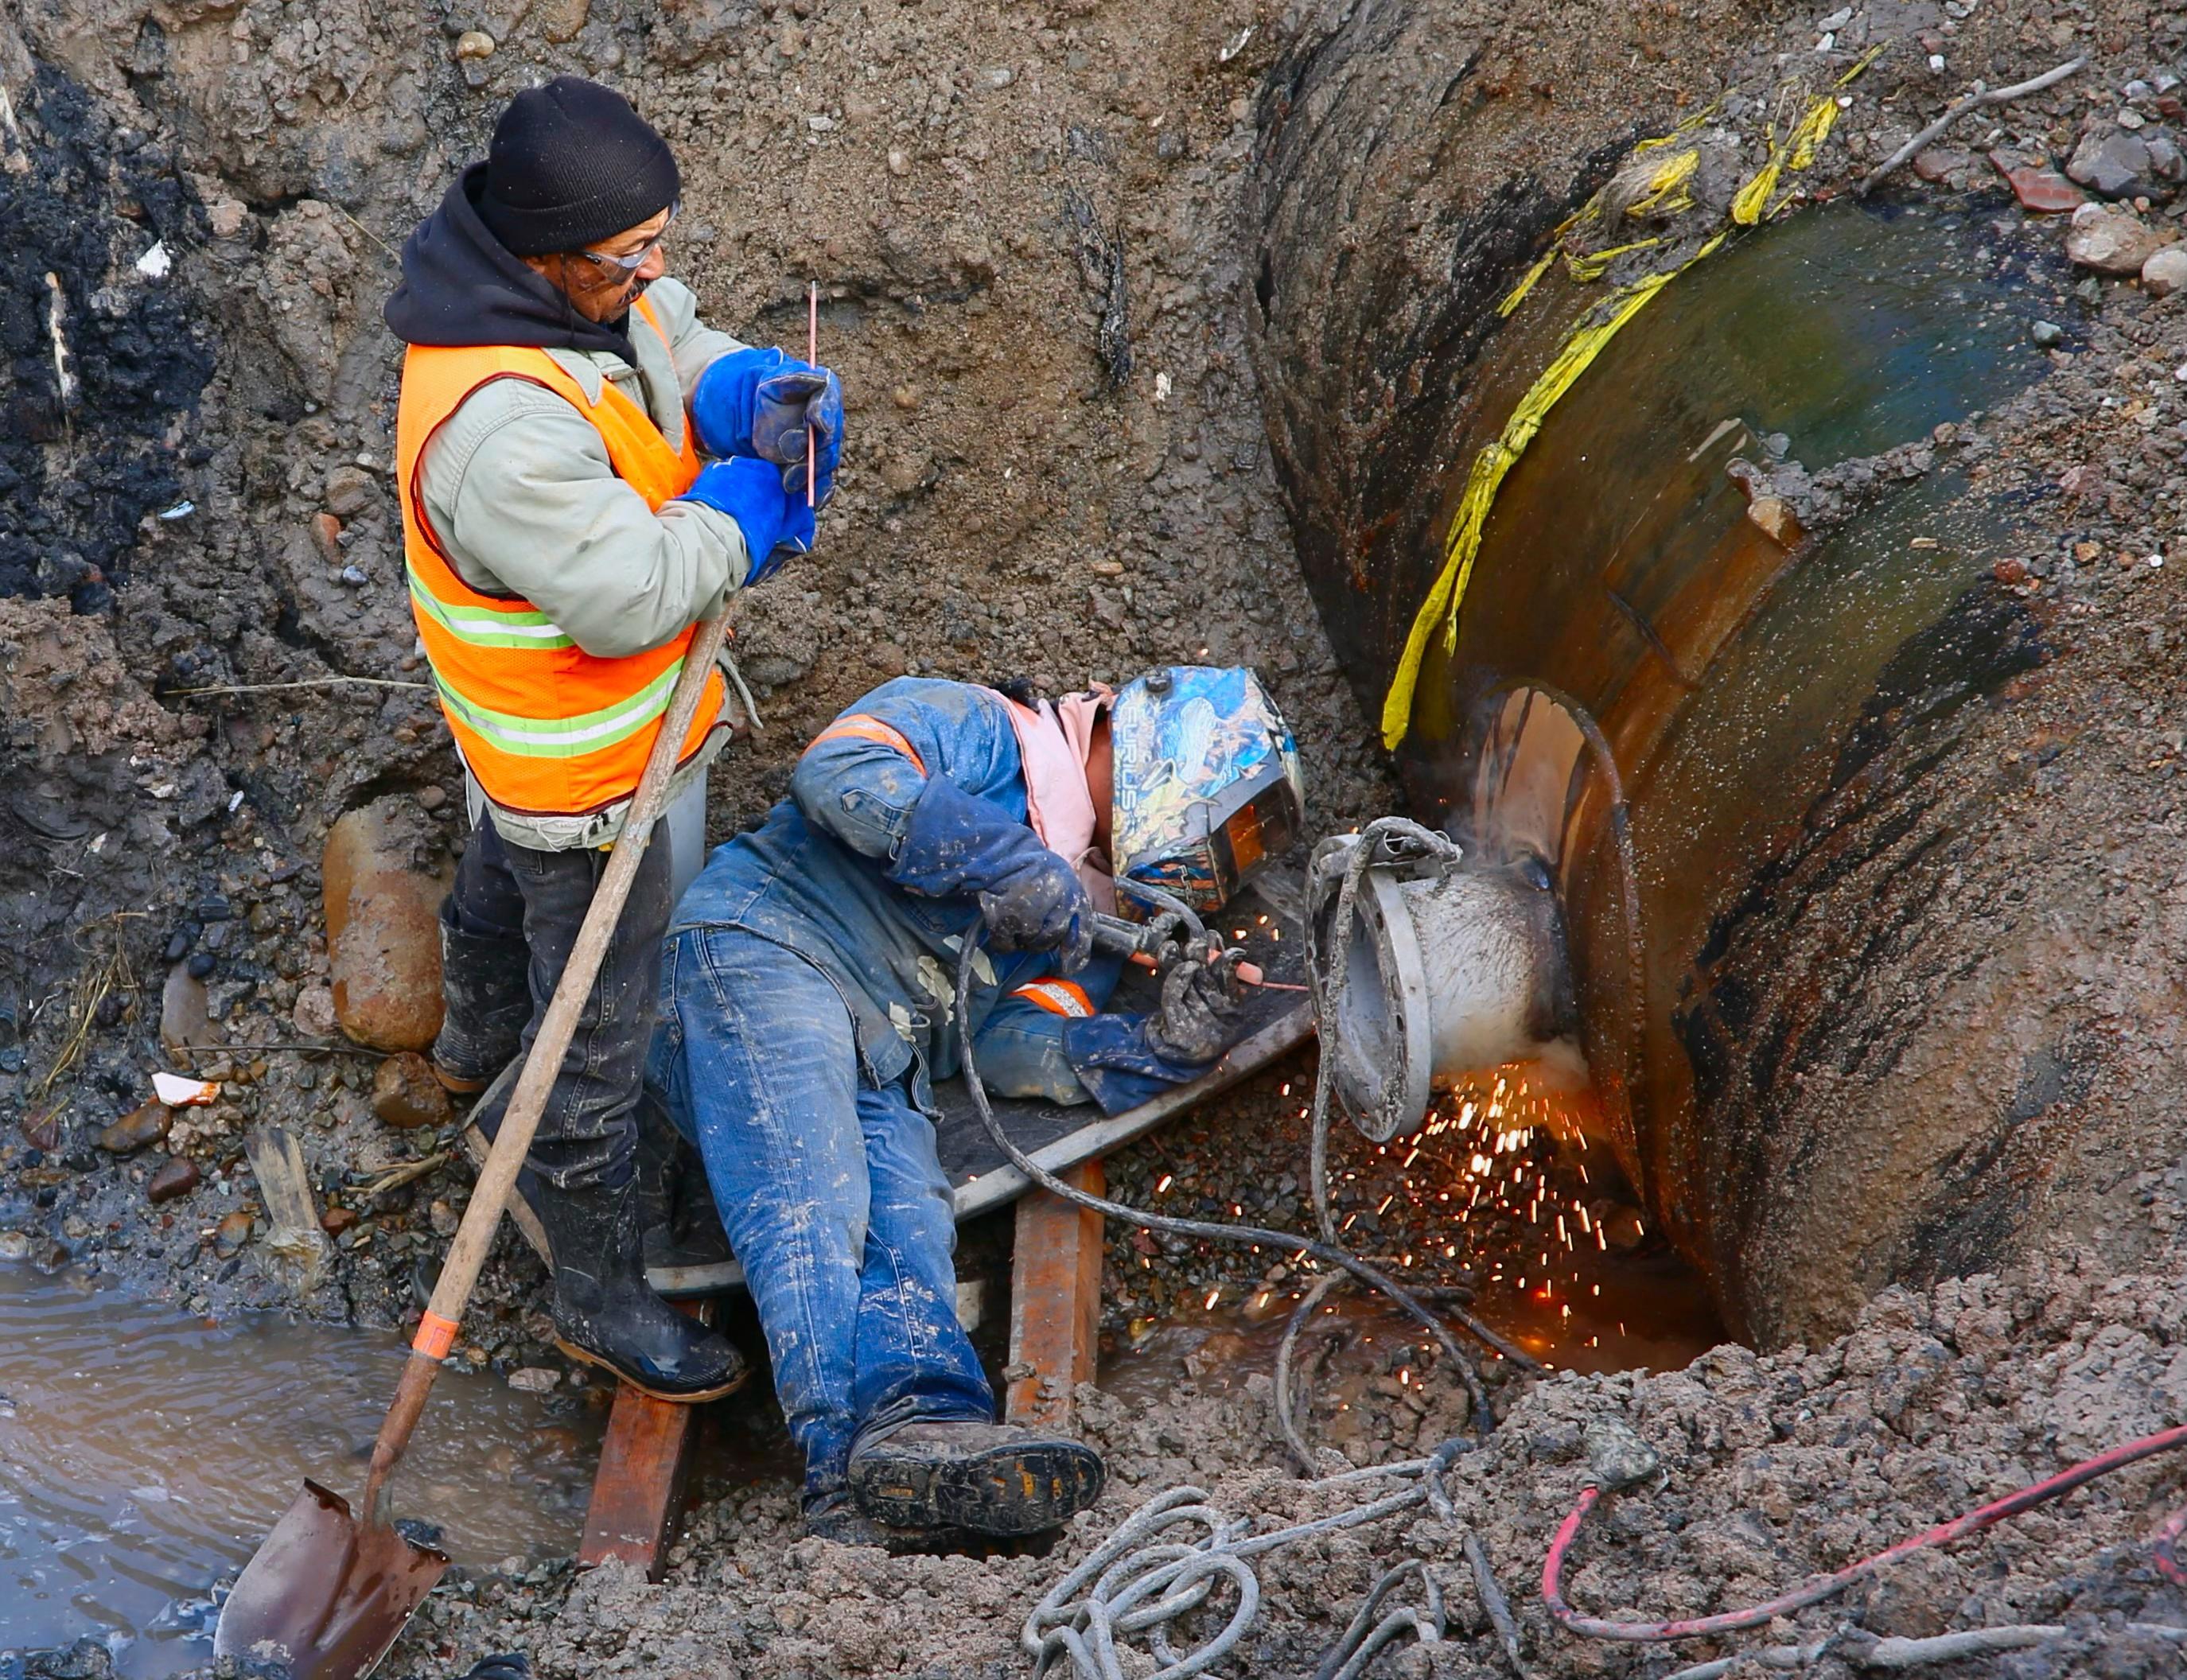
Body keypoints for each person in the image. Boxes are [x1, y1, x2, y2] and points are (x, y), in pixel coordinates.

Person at [383, 76, 845, 1403]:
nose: (651, 271)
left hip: (519, 748)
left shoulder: (563, 285)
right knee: (596, 1038)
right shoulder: (499, 427)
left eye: (658, 241)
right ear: (546, 255)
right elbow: (633, 589)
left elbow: (666, 337)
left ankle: (466, 1037)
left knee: (490, 875)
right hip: (583, 775)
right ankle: (594, 1290)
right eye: (626, 254)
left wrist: (740, 388)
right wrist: (742, 509)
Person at [648, 667, 1305, 1544]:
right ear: (1175, 756)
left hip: (885, 1050)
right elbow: (838, 774)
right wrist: (1002, 857)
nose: (1220, 856)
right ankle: (838, 1484)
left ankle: (927, 1436)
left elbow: (998, 1048)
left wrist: (1155, 1049)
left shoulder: (1084, 914)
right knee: (814, 1196)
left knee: (909, 1218)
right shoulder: (979, 729)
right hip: (762, 948)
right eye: (1229, 823)